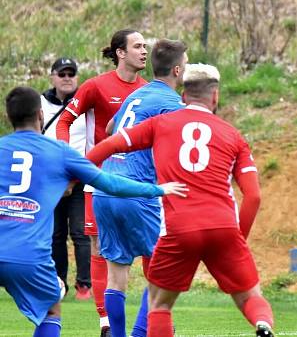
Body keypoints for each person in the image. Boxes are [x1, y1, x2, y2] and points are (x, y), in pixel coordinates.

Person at [85, 64, 275, 337]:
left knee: (159, 304)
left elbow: (110, 143)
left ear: (184, 97)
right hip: (222, 227)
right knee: (249, 296)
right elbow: (253, 196)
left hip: (178, 228)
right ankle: (262, 323)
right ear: (215, 97)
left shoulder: (160, 124)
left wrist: (76, 172)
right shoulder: (233, 136)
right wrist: (239, 238)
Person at [0, 86, 186, 337]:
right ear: (40, 115)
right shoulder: (58, 153)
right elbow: (110, 182)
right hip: (28, 254)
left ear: (8, 117)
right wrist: (157, 190)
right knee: (51, 308)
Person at [55, 29, 148, 336]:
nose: (144, 51)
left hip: (137, 180)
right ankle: (105, 322)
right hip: (100, 180)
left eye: (146, 46)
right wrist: (69, 156)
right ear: (120, 53)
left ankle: (158, 315)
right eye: (138, 46)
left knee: (150, 248)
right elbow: (65, 120)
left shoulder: (149, 90)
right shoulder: (96, 85)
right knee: (98, 249)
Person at [93, 40, 188, 337]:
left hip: (105, 189)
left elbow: (110, 130)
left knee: (116, 275)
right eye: (186, 64)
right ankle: (140, 333)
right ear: (177, 70)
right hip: (138, 192)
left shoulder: (137, 94)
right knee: (163, 274)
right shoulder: (171, 103)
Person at [41, 57, 91, 300]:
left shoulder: (85, 103)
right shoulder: (41, 103)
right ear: (52, 77)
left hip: (79, 176)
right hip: (50, 178)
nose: (67, 78)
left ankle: (85, 285)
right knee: (55, 233)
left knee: (81, 232)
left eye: (71, 74)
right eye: (62, 74)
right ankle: (58, 282)